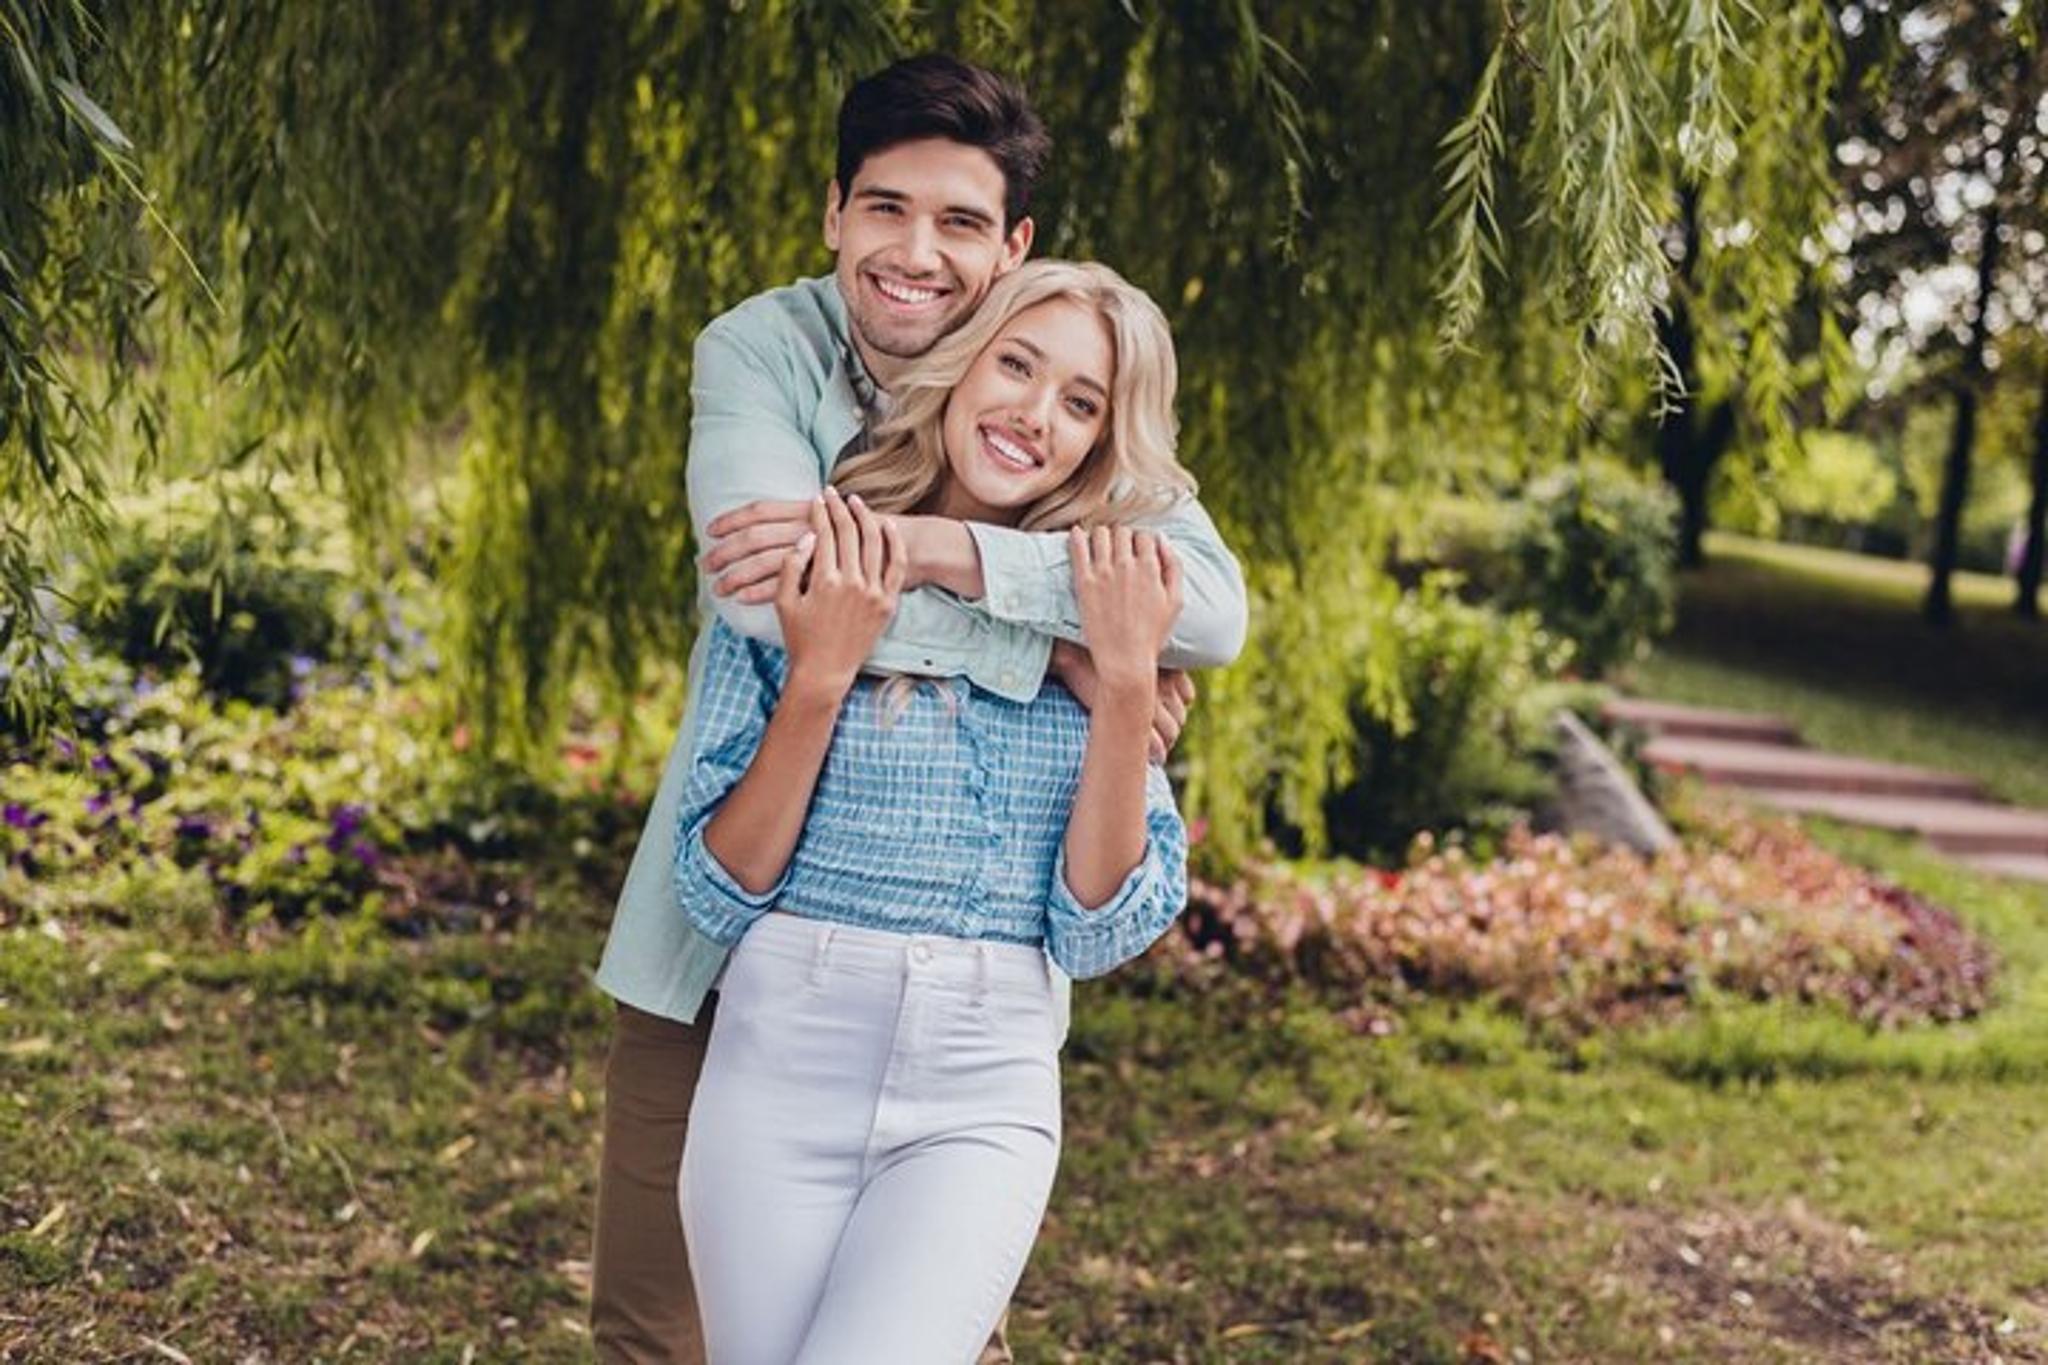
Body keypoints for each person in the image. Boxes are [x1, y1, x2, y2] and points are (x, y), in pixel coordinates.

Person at [589, 55, 1248, 1364]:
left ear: (1014, 251)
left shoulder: (1070, 381)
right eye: (886, 208)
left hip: (962, 982)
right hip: (730, 920)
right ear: (835, 209)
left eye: (959, 223)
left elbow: (1207, 614)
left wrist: (958, 565)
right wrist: (1064, 643)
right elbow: (773, 605)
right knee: (661, 1327)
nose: (914, 252)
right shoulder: (759, 349)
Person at [676, 259, 1194, 1364]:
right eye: (1016, 365)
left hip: (982, 1076)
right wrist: (821, 675)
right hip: (779, 1058)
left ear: (1104, 439)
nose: (1032, 416)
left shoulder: (1109, 603)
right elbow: (716, 885)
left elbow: (1094, 928)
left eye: (1080, 403)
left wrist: (1123, 688)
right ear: (961, 365)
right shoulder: (815, 551)